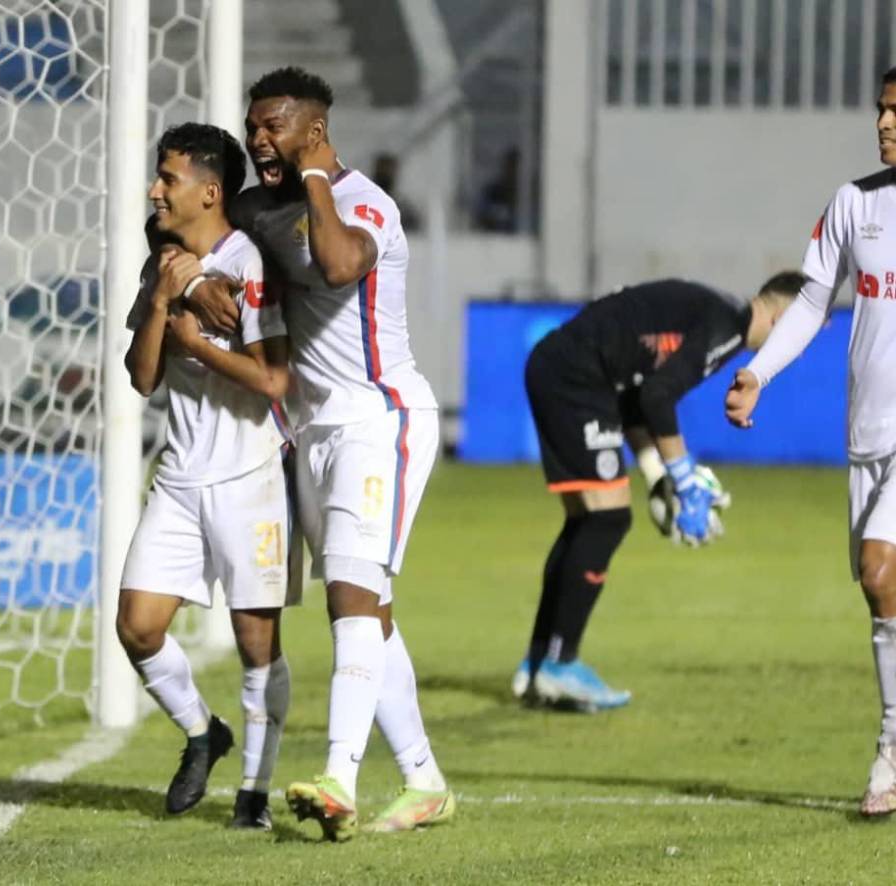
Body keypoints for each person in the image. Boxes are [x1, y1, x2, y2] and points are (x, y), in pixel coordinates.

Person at [189, 66, 454, 842]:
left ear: (313, 129)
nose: (258, 139)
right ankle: (424, 780)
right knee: (370, 611)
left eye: (274, 126)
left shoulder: (364, 202)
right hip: (310, 433)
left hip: (383, 418)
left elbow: (338, 264)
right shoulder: (258, 210)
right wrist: (194, 275)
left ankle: (339, 775)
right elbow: (195, 237)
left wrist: (312, 176)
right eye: (253, 127)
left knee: (348, 594)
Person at [725, 67, 896, 817]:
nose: (886, 123)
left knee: (878, 569)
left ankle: (891, 750)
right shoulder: (855, 203)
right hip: (869, 434)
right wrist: (758, 373)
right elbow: (813, 302)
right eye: (882, 110)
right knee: (883, 599)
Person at [117, 122, 297, 830]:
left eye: (169, 178)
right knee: (138, 628)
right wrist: (166, 303)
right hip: (180, 478)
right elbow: (141, 377)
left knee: (257, 645)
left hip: (251, 478)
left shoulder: (252, 266)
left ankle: (254, 793)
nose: (157, 189)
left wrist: (200, 341)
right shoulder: (161, 264)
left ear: (210, 191)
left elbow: (273, 381)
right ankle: (203, 732)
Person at [515, 272, 804, 712]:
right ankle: (559, 664)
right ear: (784, 317)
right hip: (576, 379)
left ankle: (539, 664)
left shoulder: (715, 312)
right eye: (804, 331)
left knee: (587, 521)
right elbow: (657, 398)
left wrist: (655, 474)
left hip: (564, 371)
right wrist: (684, 479)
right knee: (606, 520)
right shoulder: (726, 327)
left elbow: (636, 397)